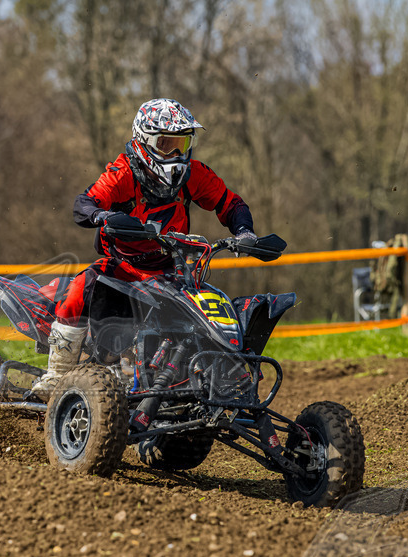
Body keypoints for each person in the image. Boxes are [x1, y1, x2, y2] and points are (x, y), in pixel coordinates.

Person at [31, 97, 258, 399]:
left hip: (174, 273)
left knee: (206, 318)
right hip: (125, 268)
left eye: (182, 142)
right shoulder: (124, 172)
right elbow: (83, 204)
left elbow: (231, 203)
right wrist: (104, 216)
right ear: (144, 140)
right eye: (166, 143)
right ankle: (56, 375)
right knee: (80, 288)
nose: (176, 152)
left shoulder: (194, 174)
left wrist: (244, 231)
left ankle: (197, 382)